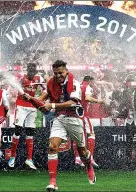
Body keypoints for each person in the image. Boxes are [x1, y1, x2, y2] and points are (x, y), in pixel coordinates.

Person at [24, 60, 96, 191]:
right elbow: (41, 100)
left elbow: (73, 102)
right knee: (52, 146)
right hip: (59, 118)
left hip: (74, 118)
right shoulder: (51, 83)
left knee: (82, 151)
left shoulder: (74, 83)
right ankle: (53, 182)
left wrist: (51, 105)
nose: (58, 75)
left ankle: (88, 166)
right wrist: (31, 99)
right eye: (55, 73)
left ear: (66, 71)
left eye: (61, 73)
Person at [8, 63, 45, 170]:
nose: (32, 72)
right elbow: (13, 86)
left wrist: (39, 98)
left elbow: (46, 88)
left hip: (33, 107)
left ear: (35, 70)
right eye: (30, 70)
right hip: (21, 106)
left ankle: (29, 159)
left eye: (34, 70)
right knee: (18, 130)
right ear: (27, 70)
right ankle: (12, 156)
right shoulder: (21, 78)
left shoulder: (39, 78)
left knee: (30, 132)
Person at [73, 75, 104, 167]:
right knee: (91, 134)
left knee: (77, 135)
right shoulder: (87, 87)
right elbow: (87, 98)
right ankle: (90, 158)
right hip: (83, 115)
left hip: (74, 115)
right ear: (90, 81)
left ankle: (77, 158)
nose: (93, 84)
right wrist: (99, 101)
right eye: (93, 82)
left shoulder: (77, 86)